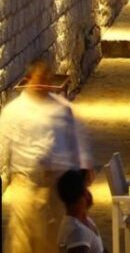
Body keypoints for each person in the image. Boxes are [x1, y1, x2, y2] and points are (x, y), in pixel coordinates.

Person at [0, 60, 91, 253]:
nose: (43, 84)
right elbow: (4, 147)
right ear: (28, 80)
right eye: (39, 79)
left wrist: (80, 182)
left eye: (47, 80)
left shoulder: (61, 109)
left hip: (56, 188)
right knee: (23, 242)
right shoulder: (13, 112)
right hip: (25, 187)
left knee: (54, 240)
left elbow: (74, 145)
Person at [55, 168, 103, 253]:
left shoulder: (83, 221)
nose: (89, 193)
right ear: (83, 194)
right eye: (86, 188)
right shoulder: (78, 232)